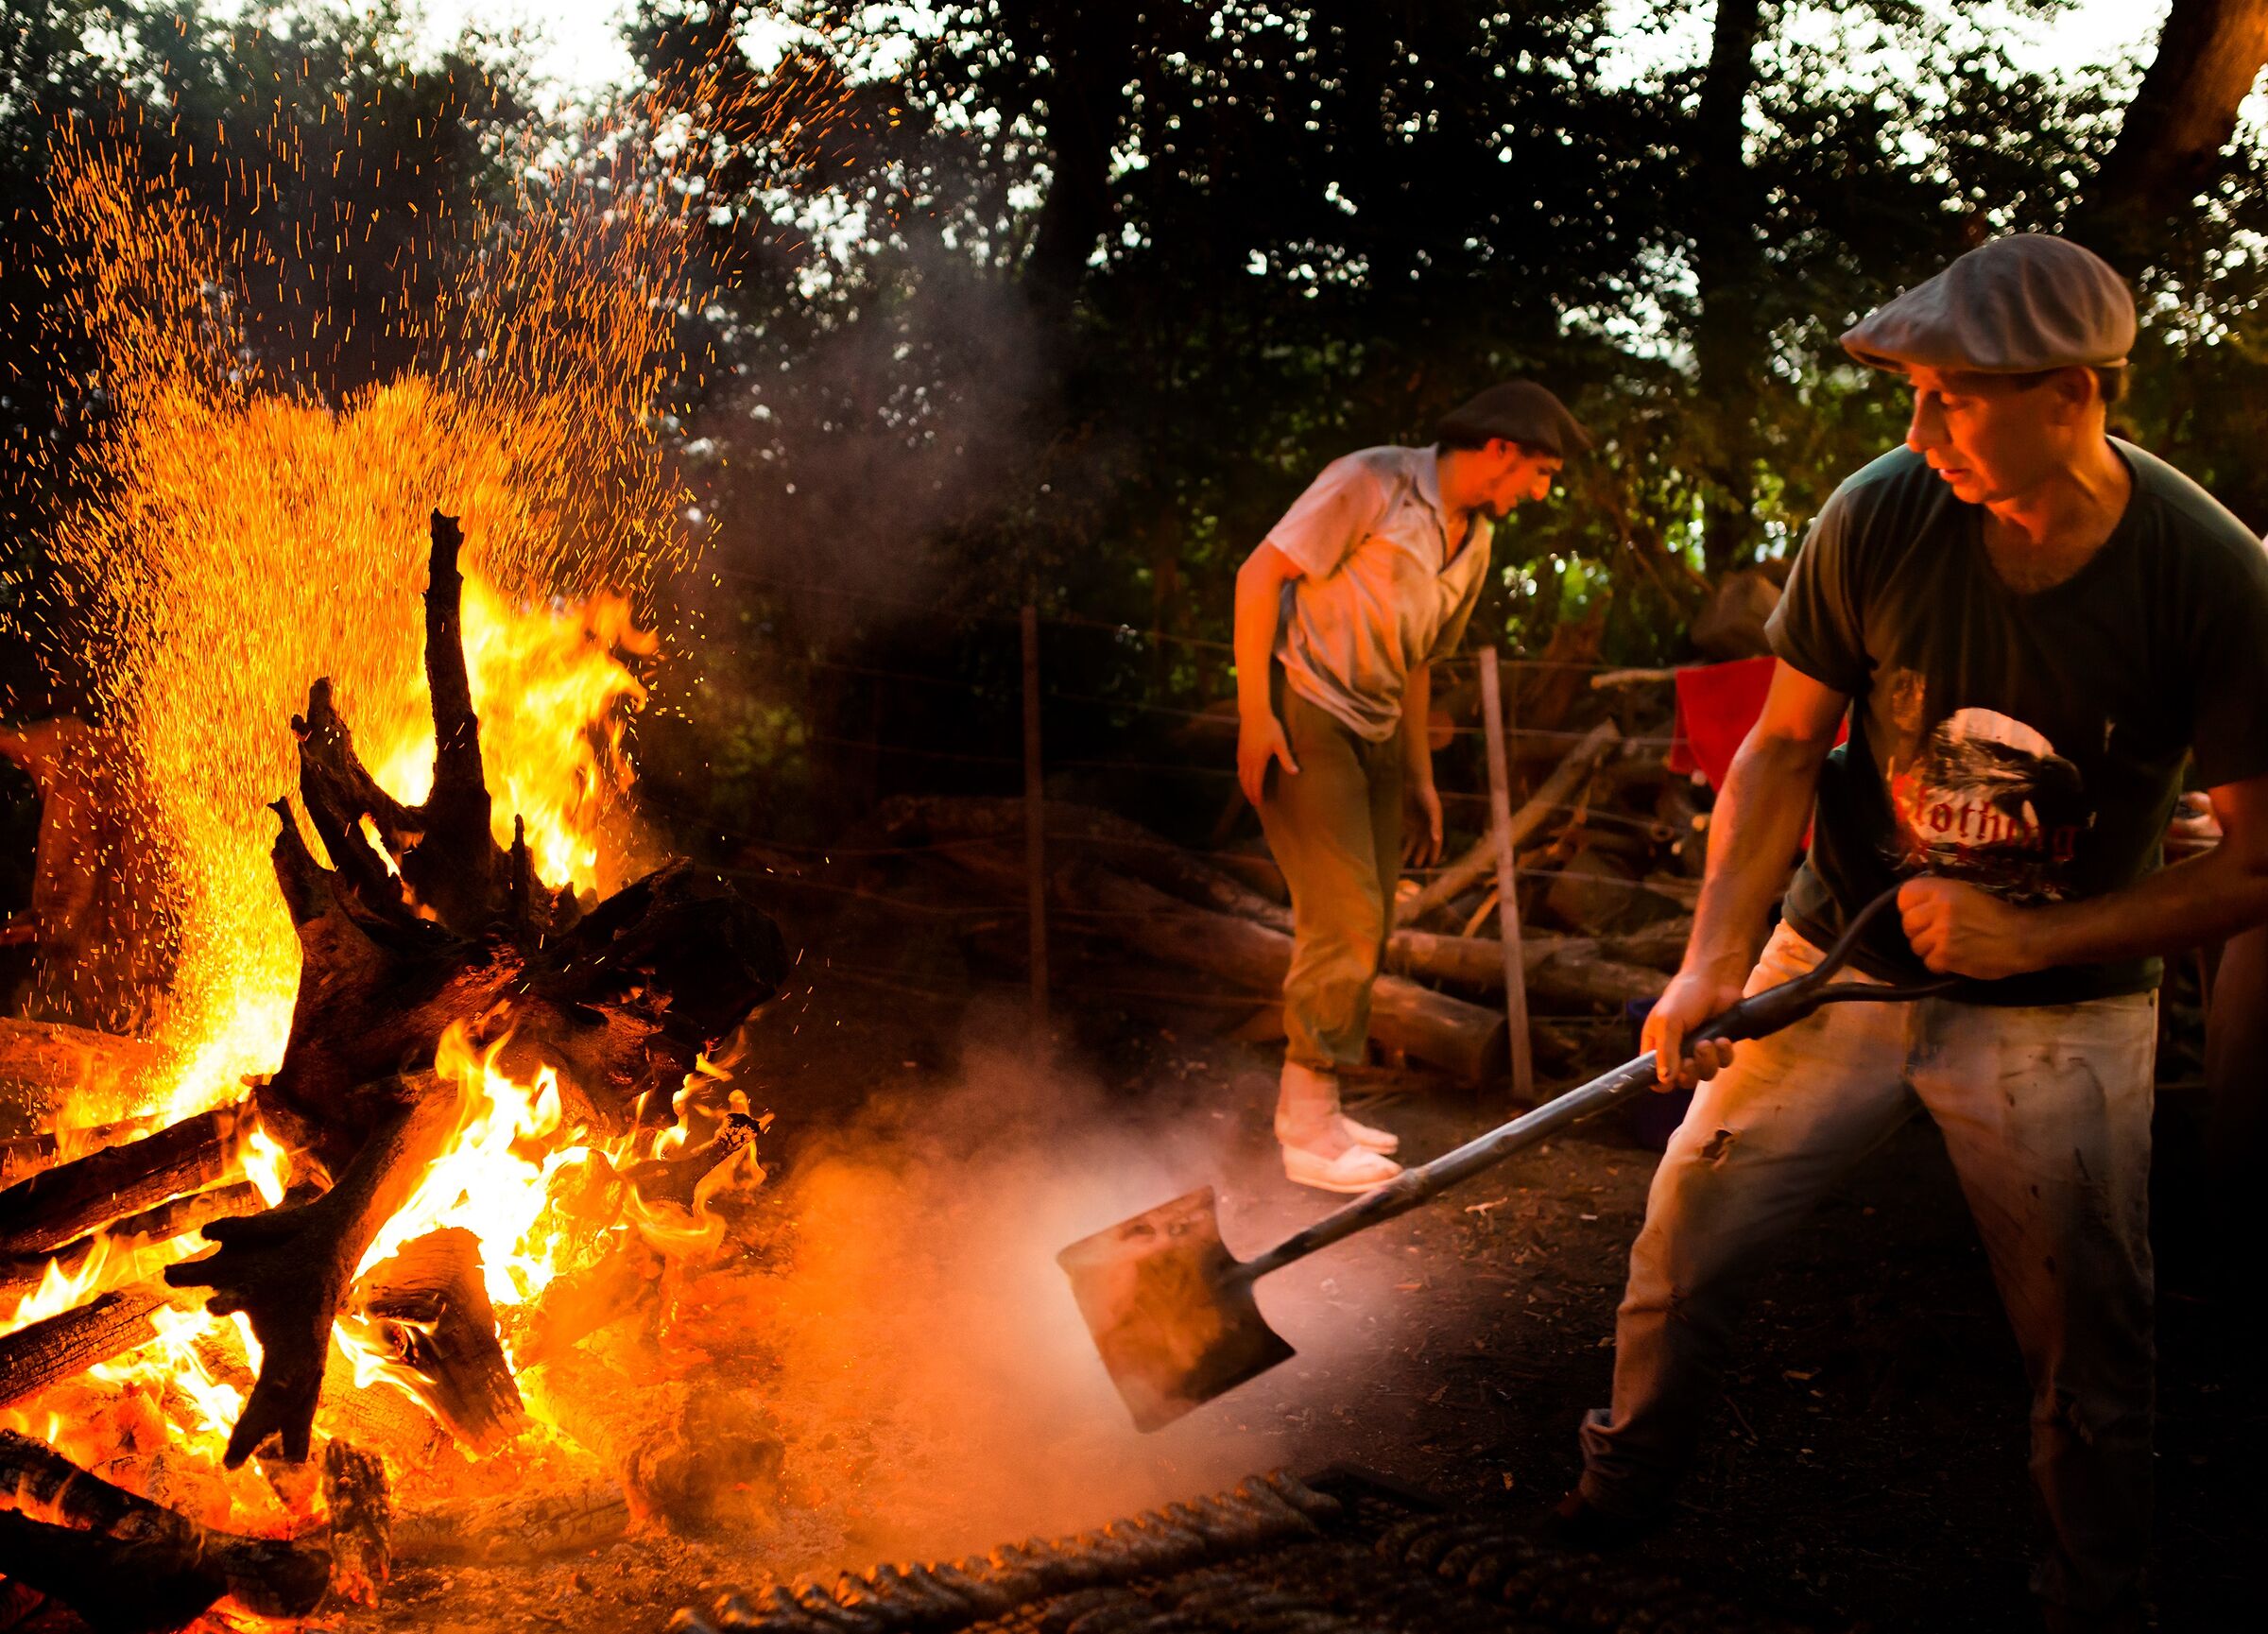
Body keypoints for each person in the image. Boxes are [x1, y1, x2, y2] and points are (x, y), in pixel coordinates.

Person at [1562, 234, 2268, 1633]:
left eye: (1954, 397)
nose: (1919, 429)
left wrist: (2036, 941)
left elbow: (2258, 862)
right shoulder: (1881, 512)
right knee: (1685, 1232)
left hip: (2065, 1006)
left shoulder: (2210, 574)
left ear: (2072, 395)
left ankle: (2093, 1599)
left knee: (2089, 1337)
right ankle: (1618, 1490)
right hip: (1837, 960)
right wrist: (1710, 963)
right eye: (1914, 395)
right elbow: (1780, 749)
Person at [1233, 381, 1589, 1192]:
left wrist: (1422, 774)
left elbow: (1422, 658)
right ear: (1500, 450)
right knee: (1345, 912)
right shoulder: (1371, 481)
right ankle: (1304, 1123)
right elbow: (1259, 574)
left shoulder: (1476, 540)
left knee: (1375, 914)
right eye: (1541, 472)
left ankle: (1319, 1103)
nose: (1541, 491)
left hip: (1383, 729)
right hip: (1309, 707)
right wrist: (1256, 714)